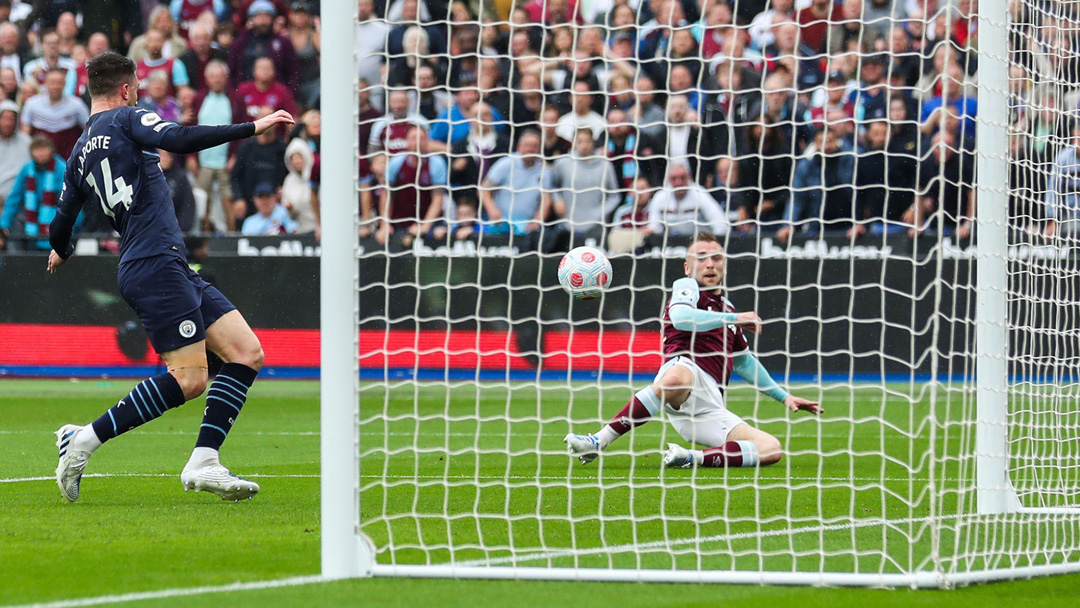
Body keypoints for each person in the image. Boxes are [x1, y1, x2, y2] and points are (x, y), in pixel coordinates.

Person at [48, 51, 295, 503]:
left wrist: (60, 252)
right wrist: (250, 128)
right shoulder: (128, 118)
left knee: (245, 351)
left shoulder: (80, 150)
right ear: (126, 89)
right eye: (137, 84)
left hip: (162, 264)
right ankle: (82, 441)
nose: (139, 90)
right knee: (189, 378)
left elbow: (61, 221)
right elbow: (179, 138)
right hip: (155, 264)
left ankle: (204, 460)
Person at [564, 232, 822, 469]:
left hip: (709, 404)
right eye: (701, 258)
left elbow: (745, 363)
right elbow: (681, 318)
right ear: (688, 268)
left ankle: (688, 457)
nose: (710, 263)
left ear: (723, 265)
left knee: (770, 449)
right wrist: (733, 319)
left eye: (716, 258)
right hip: (683, 372)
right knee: (677, 378)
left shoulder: (728, 309)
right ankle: (598, 440)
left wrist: (784, 397)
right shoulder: (686, 289)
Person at [0, 135, 67, 251]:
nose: (41, 153)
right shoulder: (26, 169)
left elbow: (69, 200)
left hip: (57, 218)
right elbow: (14, 199)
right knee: (15, 223)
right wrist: (4, 224)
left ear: (51, 150)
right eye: (37, 149)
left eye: (44, 149)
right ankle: (17, 264)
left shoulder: (61, 168)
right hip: (31, 220)